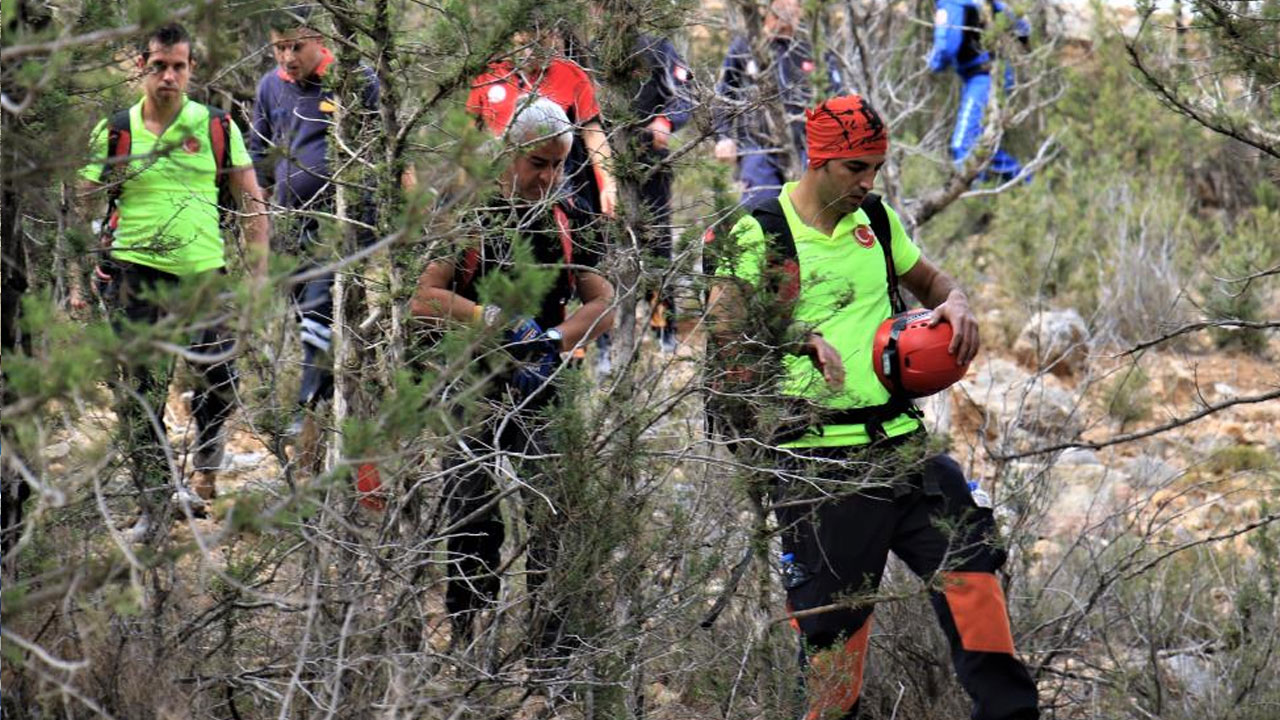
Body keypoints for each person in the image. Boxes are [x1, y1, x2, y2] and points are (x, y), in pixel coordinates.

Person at [709, 94, 1039, 719]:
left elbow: (934, 282)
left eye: (876, 169)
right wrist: (797, 339)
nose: (868, 182)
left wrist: (958, 302)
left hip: (903, 450)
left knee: (974, 575)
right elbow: (725, 336)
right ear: (818, 159)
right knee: (834, 653)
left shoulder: (877, 221)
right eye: (856, 168)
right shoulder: (757, 231)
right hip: (818, 468)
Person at [409, 98, 615, 656]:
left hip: (541, 376)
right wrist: (489, 321)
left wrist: (553, 341)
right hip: (470, 381)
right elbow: (423, 298)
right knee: (472, 514)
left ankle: (551, 660)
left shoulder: (571, 215)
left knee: (552, 516)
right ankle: (466, 646)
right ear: (512, 153)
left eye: (558, 165)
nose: (547, 176)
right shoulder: (470, 209)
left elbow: (602, 303)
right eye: (537, 163)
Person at [76, 22, 269, 540]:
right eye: (159, 65)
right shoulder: (116, 130)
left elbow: (251, 200)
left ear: (190, 70)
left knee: (220, 379)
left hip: (204, 276)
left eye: (178, 66)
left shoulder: (215, 126)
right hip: (133, 276)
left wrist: (259, 274)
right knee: (139, 395)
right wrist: (80, 274)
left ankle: (205, 458)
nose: (168, 76)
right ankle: (158, 502)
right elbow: (83, 201)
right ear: (142, 66)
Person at [250, 6, 379, 429]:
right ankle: (322, 396)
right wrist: (258, 212)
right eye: (280, 47)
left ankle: (310, 400)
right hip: (289, 219)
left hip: (340, 218)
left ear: (320, 40)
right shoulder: (271, 86)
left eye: (297, 46)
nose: (288, 57)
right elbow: (259, 152)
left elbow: (384, 145)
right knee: (302, 309)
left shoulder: (353, 79)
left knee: (321, 300)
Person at [467, 23, 617, 218]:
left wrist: (609, 184)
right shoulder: (486, 76)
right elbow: (469, 138)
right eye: (524, 43)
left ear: (553, 38)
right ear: (513, 37)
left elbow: (593, 133)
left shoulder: (571, 74)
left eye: (539, 43)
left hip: (554, 185)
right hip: (499, 188)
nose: (530, 52)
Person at [714, 0, 844, 209]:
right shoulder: (745, 46)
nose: (789, 6)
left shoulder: (814, 47)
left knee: (813, 215)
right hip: (758, 148)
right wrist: (723, 137)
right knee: (762, 212)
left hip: (808, 147)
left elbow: (839, 99)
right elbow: (723, 95)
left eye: (796, 3)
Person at [928, 0, 1030, 181]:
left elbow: (947, 47)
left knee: (963, 145)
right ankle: (1026, 187)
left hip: (983, 77)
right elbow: (1021, 25)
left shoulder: (951, 3)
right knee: (984, 146)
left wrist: (933, 63)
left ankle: (969, 203)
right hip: (995, 73)